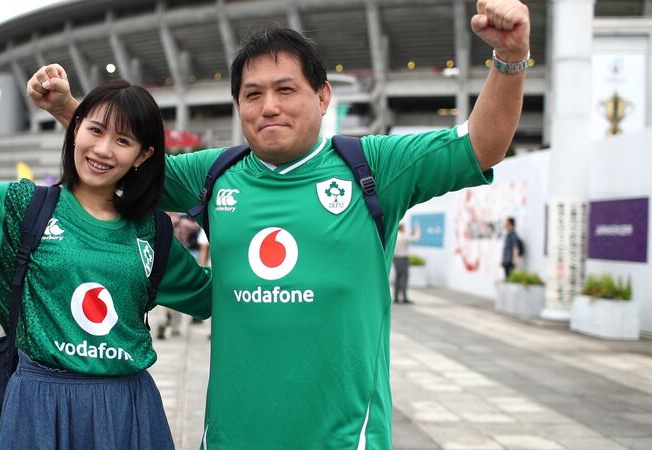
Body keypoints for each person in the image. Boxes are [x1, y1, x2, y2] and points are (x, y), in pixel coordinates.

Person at [28, 0, 529, 447]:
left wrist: (509, 59)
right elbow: (122, 160)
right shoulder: (216, 173)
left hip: (342, 438)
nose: (268, 106)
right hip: (230, 436)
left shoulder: (373, 167)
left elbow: (482, 145)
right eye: (252, 94)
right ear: (238, 105)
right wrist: (68, 110)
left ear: (323, 96)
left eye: (286, 89)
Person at [0, 41, 212, 450]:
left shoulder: (152, 232)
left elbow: (216, 298)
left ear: (143, 156)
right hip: (39, 409)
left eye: (123, 141)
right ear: (75, 129)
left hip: (129, 412)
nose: (103, 150)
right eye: (94, 130)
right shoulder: (22, 208)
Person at [393, 223, 420, 304]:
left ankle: (396, 298)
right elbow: (416, 238)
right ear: (402, 228)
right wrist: (417, 231)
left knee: (397, 279)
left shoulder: (395, 236)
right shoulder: (403, 236)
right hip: (403, 260)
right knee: (404, 278)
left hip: (396, 259)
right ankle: (404, 298)